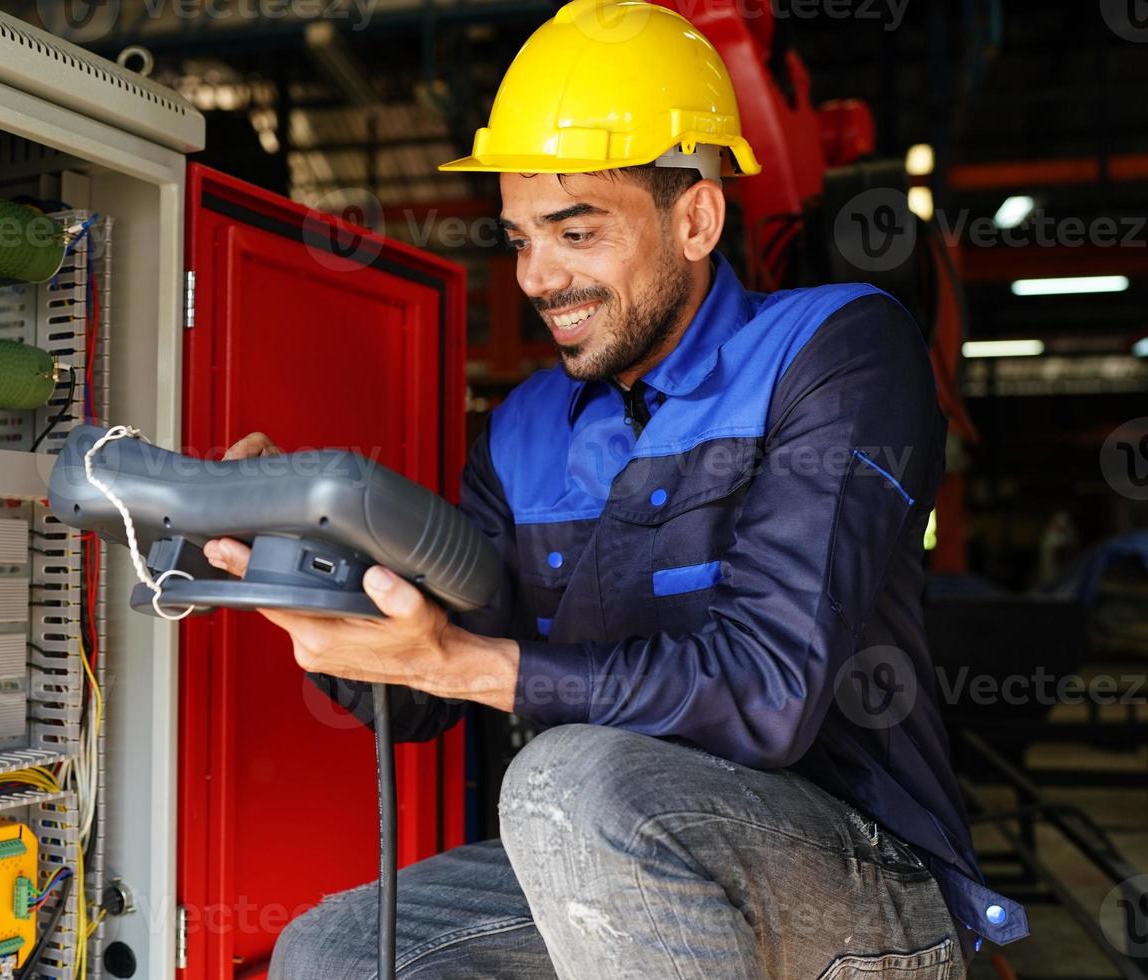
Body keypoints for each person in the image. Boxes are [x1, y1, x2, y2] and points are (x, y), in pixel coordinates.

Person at [204, 1, 1027, 975]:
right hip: (614, 855)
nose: (537, 276)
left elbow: (769, 692)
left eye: (575, 230)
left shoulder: (838, 350)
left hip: (865, 876)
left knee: (564, 775)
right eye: (518, 238)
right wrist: (314, 576)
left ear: (695, 217)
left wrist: (469, 663)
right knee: (331, 948)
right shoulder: (524, 432)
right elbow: (424, 698)